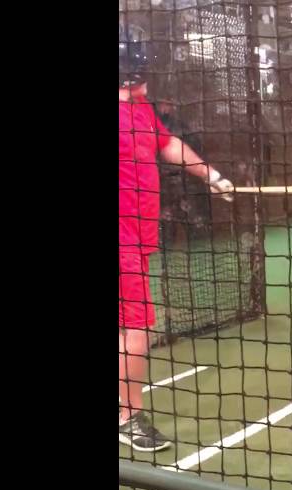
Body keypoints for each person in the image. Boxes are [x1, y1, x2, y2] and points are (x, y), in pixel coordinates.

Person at [119, 24, 234, 451]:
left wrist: (211, 175)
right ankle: (128, 417)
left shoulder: (142, 108)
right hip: (121, 239)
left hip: (139, 235)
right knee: (137, 328)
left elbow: (168, 144)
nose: (146, 76)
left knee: (131, 327)